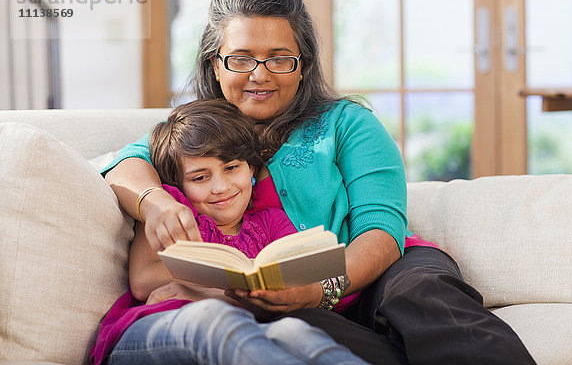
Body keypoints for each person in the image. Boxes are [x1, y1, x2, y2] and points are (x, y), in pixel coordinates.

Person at [102, 0, 535, 364]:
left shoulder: (348, 123)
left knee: (421, 294)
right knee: (294, 330)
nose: (259, 75)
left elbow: (381, 231)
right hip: (286, 297)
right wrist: (153, 201)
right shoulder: (193, 133)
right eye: (240, 59)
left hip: (380, 268)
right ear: (216, 65)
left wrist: (319, 288)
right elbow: (122, 166)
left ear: (303, 64)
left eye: (279, 58)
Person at [91, 99, 368, 365]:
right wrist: (231, 290)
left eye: (231, 167)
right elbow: (143, 279)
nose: (220, 187)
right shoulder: (174, 210)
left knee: (297, 333)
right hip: (151, 330)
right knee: (216, 317)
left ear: (252, 169)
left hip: (244, 330)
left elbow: (286, 294)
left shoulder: (271, 223)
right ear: (180, 183)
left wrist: (205, 291)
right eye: (200, 177)